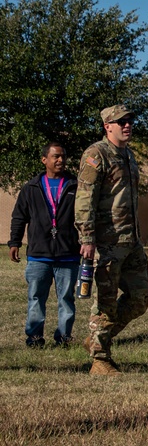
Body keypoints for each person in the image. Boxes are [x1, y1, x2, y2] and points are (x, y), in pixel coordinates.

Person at [75, 105, 148, 375]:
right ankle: (100, 359)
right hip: (107, 242)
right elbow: (85, 198)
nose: (127, 125)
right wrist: (86, 236)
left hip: (130, 240)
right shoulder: (96, 154)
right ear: (107, 126)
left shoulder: (128, 156)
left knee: (140, 298)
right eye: (121, 122)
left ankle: (96, 339)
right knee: (105, 302)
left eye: (130, 121)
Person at [8, 142, 81, 348]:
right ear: (44, 160)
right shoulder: (31, 188)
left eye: (63, 156)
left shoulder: (76, 186)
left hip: (68, 254)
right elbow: (19, 217)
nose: (61, 160)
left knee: (66, 300)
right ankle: (34, 338)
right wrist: (15, 242)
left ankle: (64, 338)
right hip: (39, 255)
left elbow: (87, 217)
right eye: (56, 156)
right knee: (35, 299)